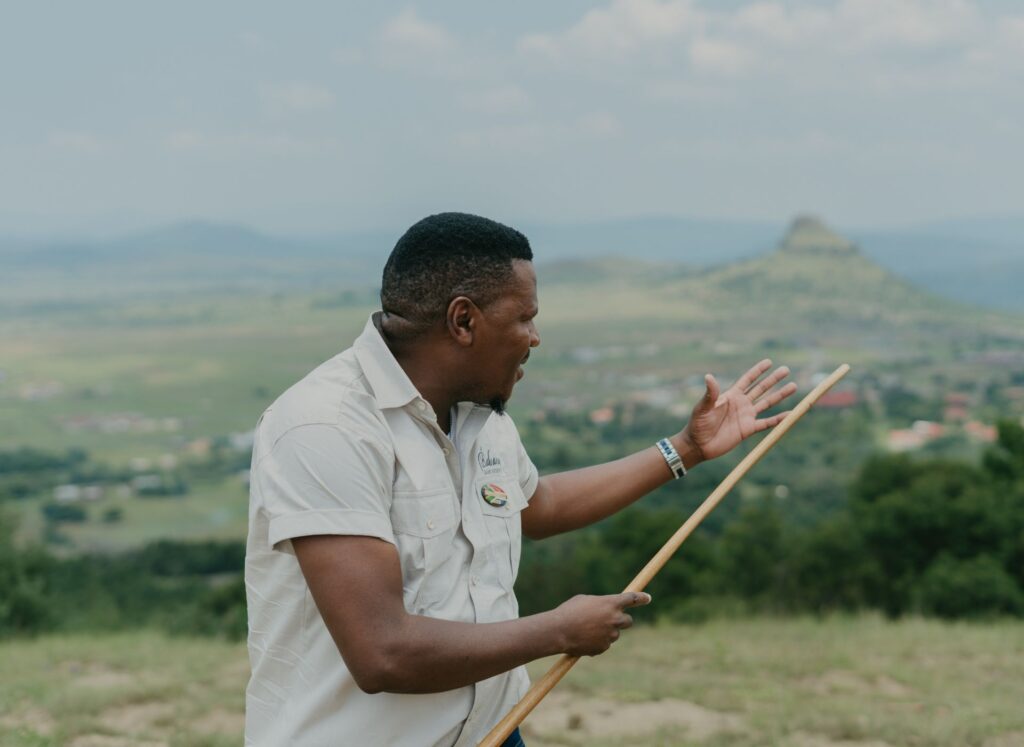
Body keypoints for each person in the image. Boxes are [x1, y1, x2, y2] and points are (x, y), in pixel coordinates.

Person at [244, 212, 796, 746]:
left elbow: (539, 505)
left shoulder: (479, 414)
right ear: (464, 321)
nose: (534, 337)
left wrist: (686, 449)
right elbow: (382, 652)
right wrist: (557, 630)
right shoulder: (325, 426)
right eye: (524, 317)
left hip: (496, 731)